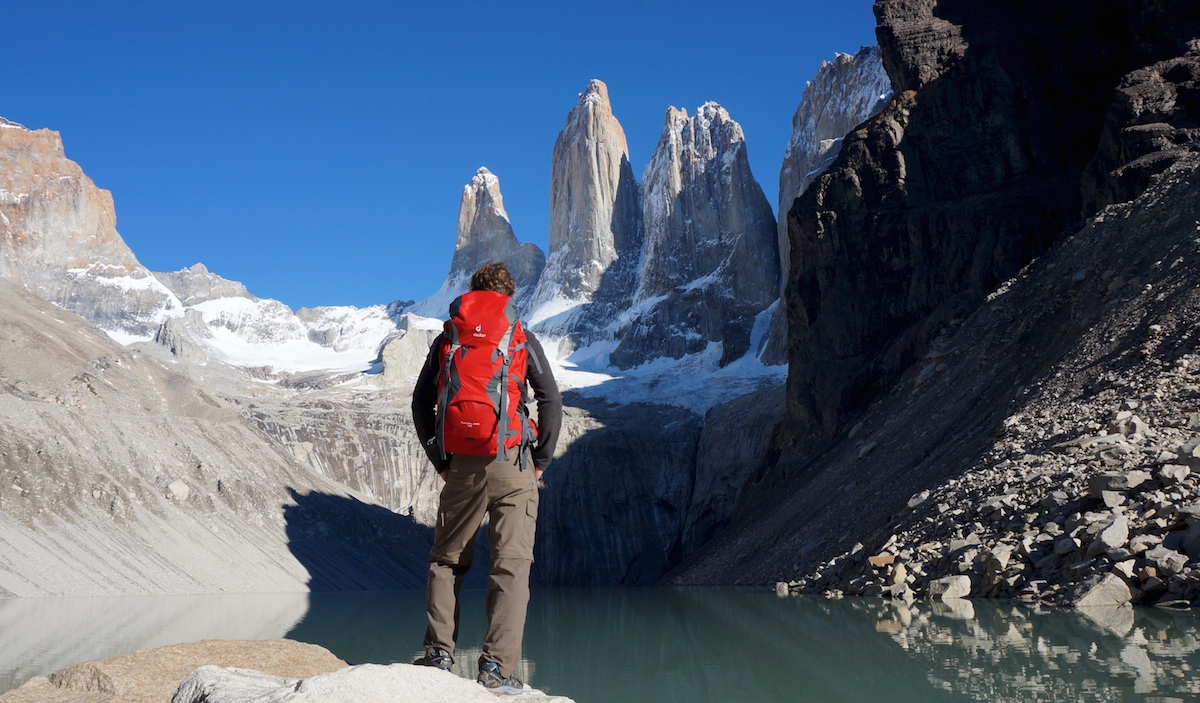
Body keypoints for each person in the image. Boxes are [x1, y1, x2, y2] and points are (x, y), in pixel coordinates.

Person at [410, 262, 562, 692]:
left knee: (447, 561)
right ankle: (496, 670)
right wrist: (540, 462)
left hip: (461, 465)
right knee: (511, 568)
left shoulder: (449, 337)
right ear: (510, 296)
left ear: (472, 291)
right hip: (513, 464)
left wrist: (440, 460)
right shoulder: (519, 336)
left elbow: (421, 404)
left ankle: (439, 654)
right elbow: (550, 400)